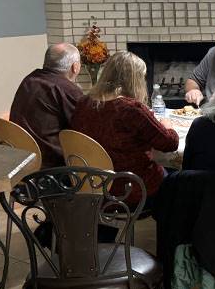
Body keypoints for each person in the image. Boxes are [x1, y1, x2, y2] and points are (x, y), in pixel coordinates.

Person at [70, 51, 178, 206]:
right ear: (135, 80)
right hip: (130, 187)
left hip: (92, 184)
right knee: (177, 178)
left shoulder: (84, 103)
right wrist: (168, 125)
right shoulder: (131, 109)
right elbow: (170, 144)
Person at [9, 43, 83, 168]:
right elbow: (84, 128)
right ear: (75, 67)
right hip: (53, 166)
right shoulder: (67, 89)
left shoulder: (29, 80)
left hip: (23, 160)